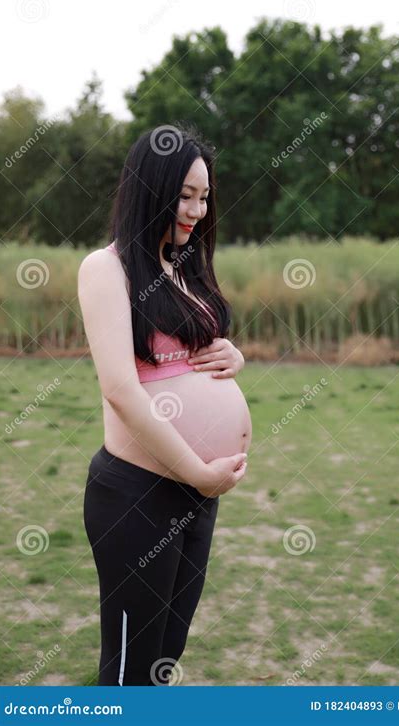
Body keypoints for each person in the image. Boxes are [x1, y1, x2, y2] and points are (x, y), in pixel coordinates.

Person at [78, 123, 252, 686]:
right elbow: (121, 389)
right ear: (149, 187)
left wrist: (233, 356)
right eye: (185, 195)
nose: (197, 210)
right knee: (129, 666)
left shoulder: (184, 266)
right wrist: (199, 472)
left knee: (163, 659)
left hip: (197, 494)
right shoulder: (106, 269)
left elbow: (189, 353)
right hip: (137, 494)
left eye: (204, 197)